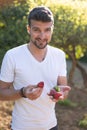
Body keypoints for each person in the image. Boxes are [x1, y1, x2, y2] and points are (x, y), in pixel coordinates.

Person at [0, 6, 71, 130]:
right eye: (37, 30)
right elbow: (1, 93)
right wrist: (22, 92)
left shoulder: (59, 55)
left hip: (51, 126)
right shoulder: (12, 56)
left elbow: (62, 88)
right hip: (21, 127)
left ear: (52, 29)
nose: (42, 36)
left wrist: (60, 94)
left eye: (47, 30)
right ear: (29, 29)